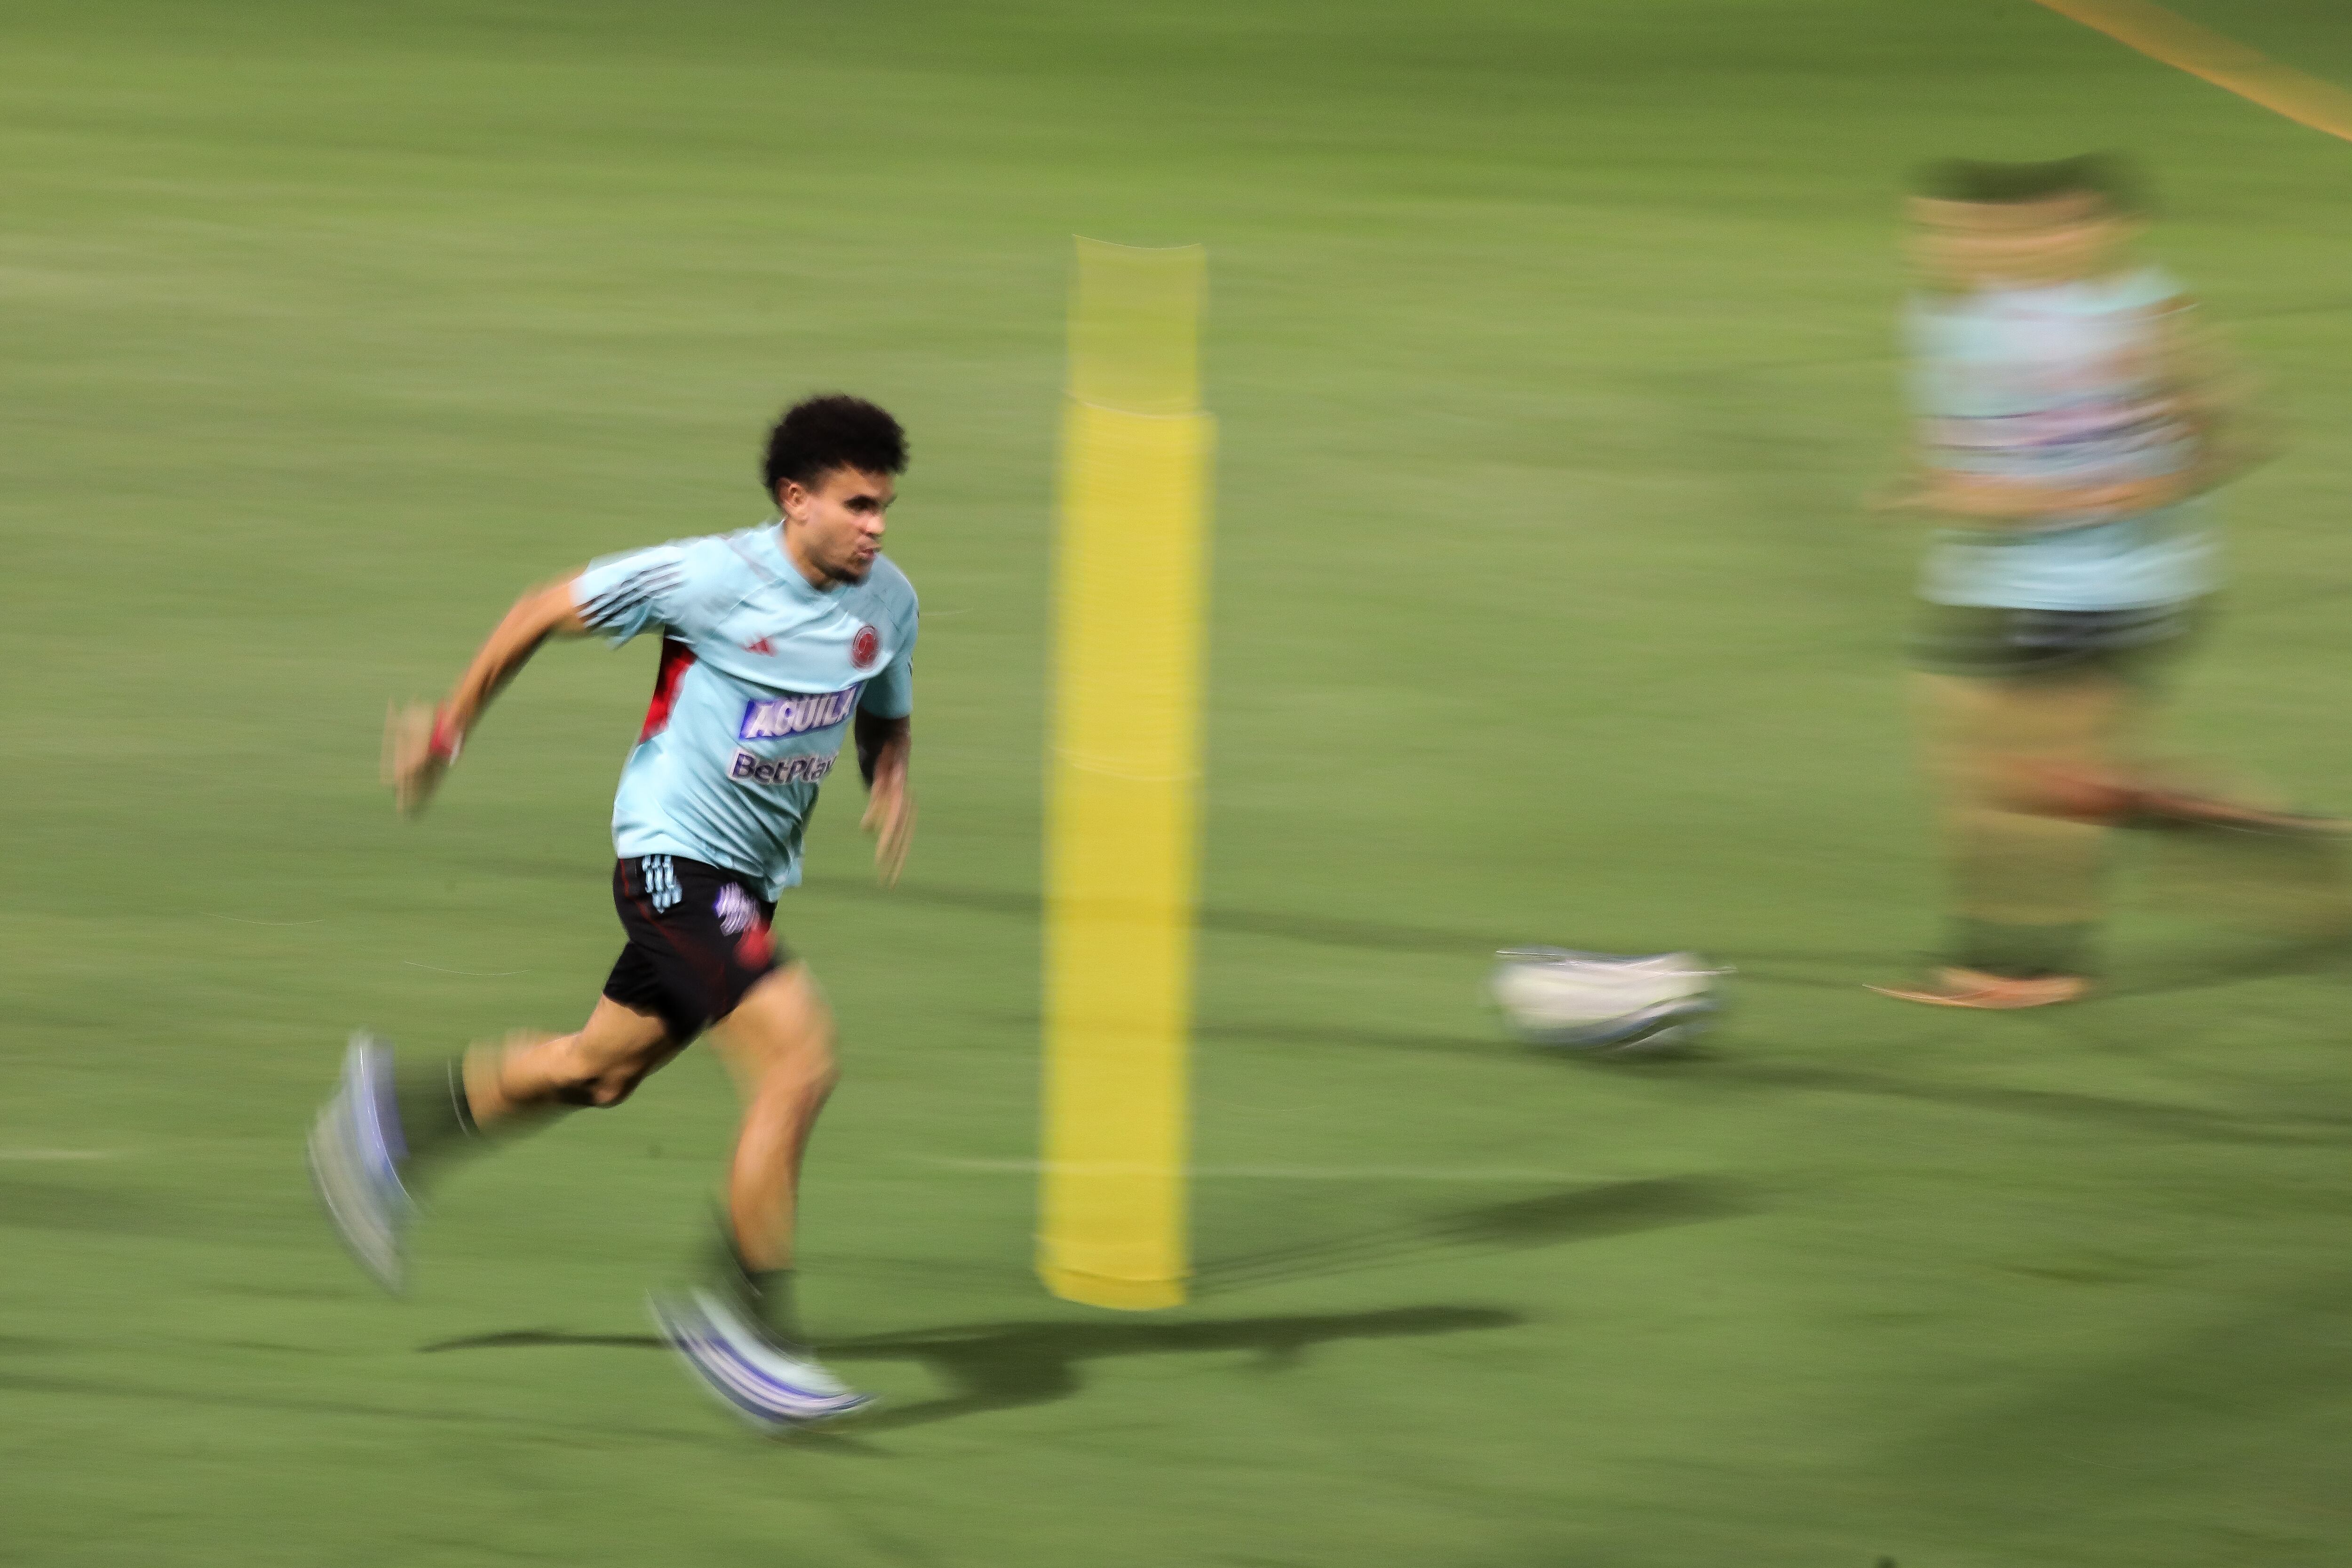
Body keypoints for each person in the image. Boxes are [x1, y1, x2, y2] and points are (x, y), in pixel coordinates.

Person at [308, 393, 919, 1426]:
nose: (877, 526)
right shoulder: (713, 576)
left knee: (598, 1073)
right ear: (795, 499)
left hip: (747, 883)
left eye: (885, 507)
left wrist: (889, 773)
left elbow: (884, 695)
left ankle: (388, 1125)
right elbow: (543, 608)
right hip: (677, 862)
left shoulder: (887, 599)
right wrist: (448, 733)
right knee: (800, 1060)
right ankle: (747, 1323)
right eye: (857, 505)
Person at [1873, 154, 2335, 1009]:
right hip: (1992, 577)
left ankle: (2025, 962)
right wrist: (1931, 480)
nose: (1941, 244)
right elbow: (1968, 430)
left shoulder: (2139, 316)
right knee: (1999, 772)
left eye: (1962, 227)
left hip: (2100, 583)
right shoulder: (1951, 316)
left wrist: (2116, 490)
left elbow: (2235, 429)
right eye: (1933, 227)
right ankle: (2258, 833)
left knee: (2027, 782)